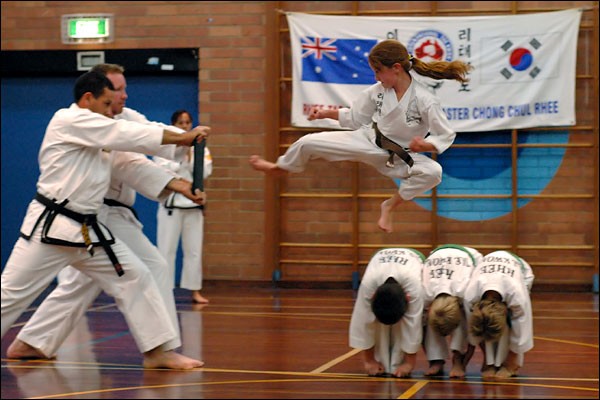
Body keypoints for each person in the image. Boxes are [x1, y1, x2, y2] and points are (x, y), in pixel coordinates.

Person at [1, 70, 209, 369]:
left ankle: (157, 351)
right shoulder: (70, 120)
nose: (113, 110)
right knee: (10, 294)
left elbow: (130, 157)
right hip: (50, 229)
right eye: (107, 102)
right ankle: (34, 341)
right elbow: (125, 134)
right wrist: (184, 136)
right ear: (88, 99)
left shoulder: (101, 129)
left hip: (87, 232)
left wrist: (180, 183)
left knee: (135, 275)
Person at [249, 39, 472, 233]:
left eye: (378, 71)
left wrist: (426, 145)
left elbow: (445, 134)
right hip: (367, 140)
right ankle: (280, 167)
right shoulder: (377, 91)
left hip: (399, 155)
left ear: (396, 68)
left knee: (433, 172)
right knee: (307, 142)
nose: (376, 76)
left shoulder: (425, 99)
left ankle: (389, 207)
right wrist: (325, 113)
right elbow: (355, 118)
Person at [153, 109, 213, 304]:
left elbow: (205, 172)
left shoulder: (201, 148)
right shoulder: (164, 147)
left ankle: (195, 290)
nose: (185, 126)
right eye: (181, 123)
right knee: (166, 250)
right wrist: (182, 155)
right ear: (173, 125)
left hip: (193, 206)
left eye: (188, 123)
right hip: (171, 206)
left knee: (194, 251)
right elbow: (163, 170)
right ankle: (164, 291)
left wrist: (191, 154)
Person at [349, 247, 425, 377]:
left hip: (415, 257)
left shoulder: (415, 286)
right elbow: (364, 321)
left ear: (407, 298)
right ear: (373, 296)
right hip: (379, 258)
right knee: (379, 327)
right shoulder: (368, 284)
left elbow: (413, 324)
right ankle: (382, 363)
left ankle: (397, 363)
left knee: (405, 325)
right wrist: (369, 361)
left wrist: (409, 364)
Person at [464, 250, 534, 380]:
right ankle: (490, 362)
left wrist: (511, 361)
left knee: (509, 327)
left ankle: (512, 365)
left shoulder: (517, 296)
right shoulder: (470, 296)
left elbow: (522, 331)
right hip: (489, 270)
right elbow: (474, 331)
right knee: (485, 325)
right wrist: (486, 357)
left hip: (521, 271)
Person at [421, 244, 483, 378]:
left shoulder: (467, 293)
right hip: (437, 255)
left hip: (471, 257)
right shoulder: (425, 293)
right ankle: (435, 360)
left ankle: (457, 359)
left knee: (462, 318)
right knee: (433, 317)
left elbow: (472, 330)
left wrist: (465, 358)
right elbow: (418, 326)